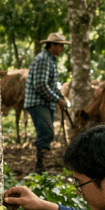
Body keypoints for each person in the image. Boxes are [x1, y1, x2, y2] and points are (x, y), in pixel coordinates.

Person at [24, 32, 70, 172]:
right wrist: (57, 100)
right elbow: (41, 85)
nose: (62, 48)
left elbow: (51, 85)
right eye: (61, 45)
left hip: (46, 103)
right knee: (47, 133)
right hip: (38, 103)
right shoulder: (43, 60)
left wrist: (61, 97)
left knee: (45, 133)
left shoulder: (51, 60)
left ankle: (41, 167)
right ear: (52, 45)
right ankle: (40, 168)